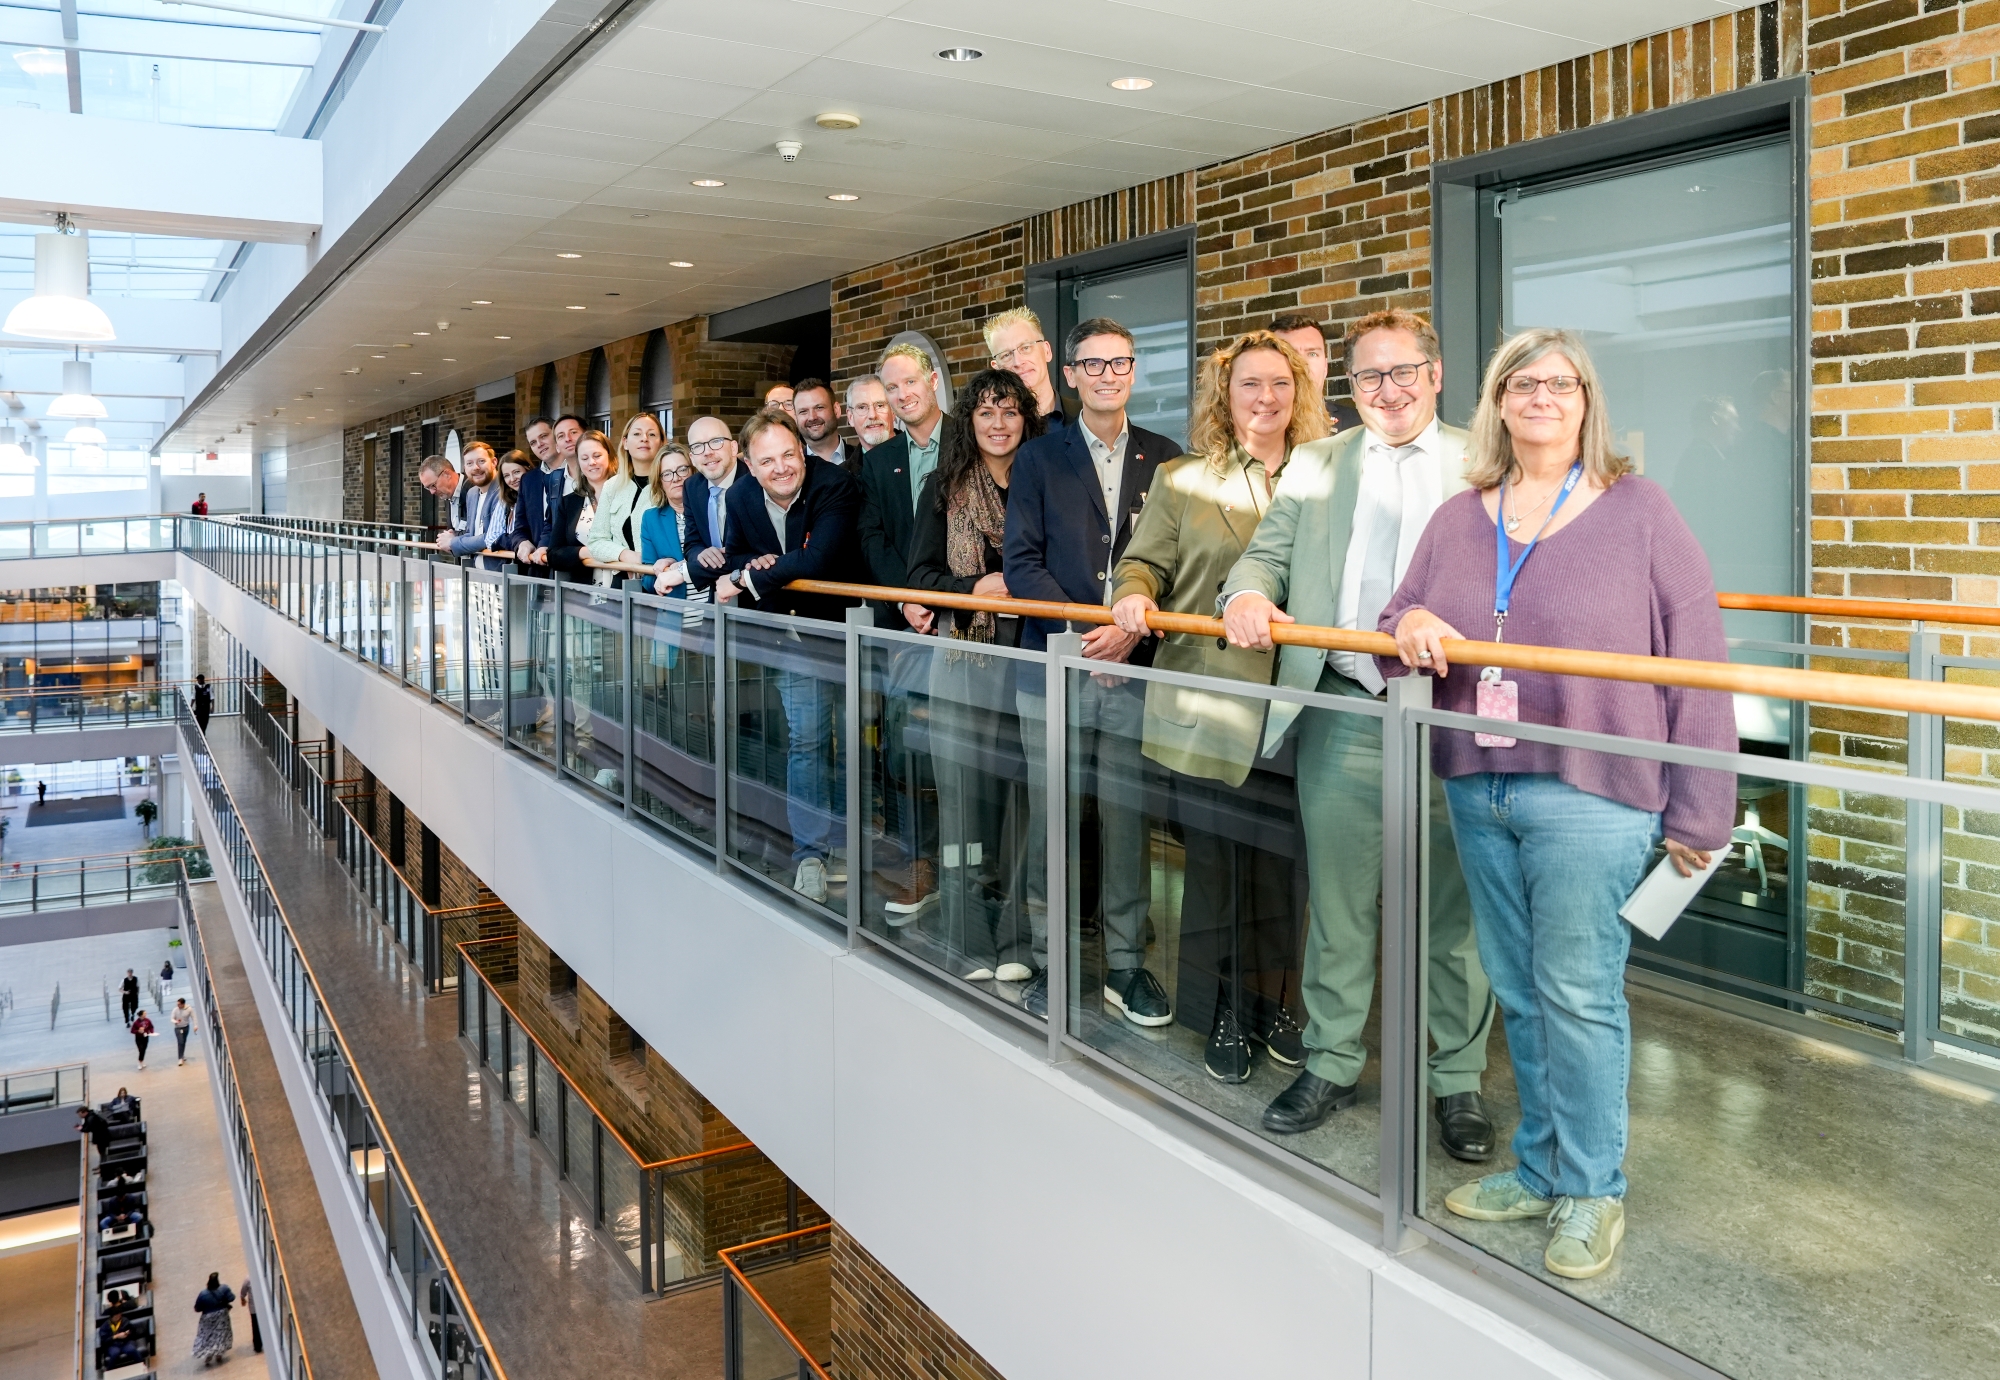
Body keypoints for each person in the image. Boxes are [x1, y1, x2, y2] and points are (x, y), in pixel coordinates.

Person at [1383, 326, 1735, 1280]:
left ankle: (1592, 1189)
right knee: (1518, 989)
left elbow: (1698, 665)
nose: (1542, 396)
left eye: (1562, 383)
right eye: (1523, 383)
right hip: (1477, 778)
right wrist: (1410, 619)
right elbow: (1395, 617)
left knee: (1578, 993)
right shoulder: (1463, 515)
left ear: (1587, 402)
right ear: (1498, 402)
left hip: (1593, 789)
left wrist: (1704, 809)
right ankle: (1541, 1168)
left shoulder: (1641, 511)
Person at [1220, 308, 1497, 1155]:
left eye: (1403, 371)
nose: (1389, 390)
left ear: (1437, 374)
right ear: (1350, 387)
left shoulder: (1483, 463)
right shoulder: (1317, 462)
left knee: (1455, 912)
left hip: (1452, 713)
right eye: (1370, 376)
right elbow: (1266, 555)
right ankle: (1333, 1060)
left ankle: (1457, 1080)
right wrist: (1246, 594)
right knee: (1339, 905)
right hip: (1344, 710)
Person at [1110, 330, 1328, 1080]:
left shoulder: (1326, 476)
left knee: (1288, 872)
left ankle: (1283, 1006)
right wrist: (1134, 599)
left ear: (1298, 393)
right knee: (1215, 868)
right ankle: (1224, 1011)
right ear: (1223, 396)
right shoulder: (1183, 479)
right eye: (1248, 386)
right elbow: (1140, 565)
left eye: (1278, 385)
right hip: (1209, 698)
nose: (1265, 399)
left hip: (1301, 705)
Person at [1003, 316, 1179, 1024]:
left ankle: (1128, 966)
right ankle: (1053, 963)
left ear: (1134, 372)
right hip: (1054, 668)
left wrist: (1127, 641)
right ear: (1069, 374)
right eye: (1093, 364)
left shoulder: (1168, 459)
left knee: (1129, 822)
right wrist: (1091, 634)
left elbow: (1177, 565)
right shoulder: (1040, 460)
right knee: (1054, 821)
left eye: (1120, 363)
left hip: (1135, 671)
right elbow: (1022, 564)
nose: (1108, 375)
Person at [904, 368, 1045, 980]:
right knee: (963, 800)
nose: (998, 423)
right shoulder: (946, 485)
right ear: (970, 420)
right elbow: (919, 576)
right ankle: (966, 938)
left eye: (1010, 412)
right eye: (986, 412)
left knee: (1023, 805)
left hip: (1034, 662)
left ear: (1027, 420)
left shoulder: (1046, 482)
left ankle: (1016, 940)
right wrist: (974, 590)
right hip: (963, 661)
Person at [701, 408, 864, 902]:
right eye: (767, 460)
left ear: (803, 453)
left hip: (849, 633)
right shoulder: (742, 494)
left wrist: (752, 577)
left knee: (861, 743)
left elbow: (820, 560)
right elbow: (731, 555)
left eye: (789, 456)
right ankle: (811, 853)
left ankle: (857, 844)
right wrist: (752, 565)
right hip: (789, 638)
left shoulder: (835, 484)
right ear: (748, 464)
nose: (781, 468)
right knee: (809, 740)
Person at [859, 343, 956, 916]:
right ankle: (923, 861)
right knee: (907, 745)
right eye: (891, 389)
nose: (902, 396)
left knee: (970, 744)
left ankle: (975, 863)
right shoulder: (879, 459)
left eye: (909, 384)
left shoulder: (970, 440)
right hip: (911, 624)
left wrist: (946, 601)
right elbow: (873, 539)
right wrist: (911, 603)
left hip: (969, 618)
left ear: (933, 382)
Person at [585, 412, 667, 585]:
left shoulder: (671, 483)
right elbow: (596, 541)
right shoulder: (612, 486)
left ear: (661, 443)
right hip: (621, 582)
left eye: (652, 434)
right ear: (625, 442)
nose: (644, 438)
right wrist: (628, 556)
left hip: (661, 580)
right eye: (637, 434)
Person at [1270, 314, 1363, 433]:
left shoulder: (1359, 426)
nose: (1302, 365)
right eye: (1288, 354)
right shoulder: (1255, 428)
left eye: (1312, 354)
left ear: (1325, 367)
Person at [984, 306, 1076, 424]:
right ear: (997, 368)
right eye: (1006, 355)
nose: (1018, 362)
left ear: (1046, 351)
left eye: (1026, 348)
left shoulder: (1085, 417)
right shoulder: (993, 432)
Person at [547, 430, 617, 580]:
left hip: (623, 589)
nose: (592, 462)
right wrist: (586, 552)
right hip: (581, 593)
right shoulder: (569, 502)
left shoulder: (627, 495)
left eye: (597, 456)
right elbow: (553, 554)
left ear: (610, 456)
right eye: (584, 458)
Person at [680, 415, 744, 577]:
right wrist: (701, 554)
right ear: (692, 458)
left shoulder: (755, 481)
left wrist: (683, 573)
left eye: (716, 441)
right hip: (715, 593)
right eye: (698, 446)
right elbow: (692, 544)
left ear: (734, 448)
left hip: (757, 591)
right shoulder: (691, 487)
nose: (707, 452)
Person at [511, 416, 568, 574]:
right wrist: (522, 542)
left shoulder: (579, 472)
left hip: (571, 568)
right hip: (539, 569)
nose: (539, 444)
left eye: (543, 436)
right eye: (533, 442)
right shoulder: (529, 480)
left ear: (556, 435)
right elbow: (519, 527)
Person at [639, 441, 697, 599]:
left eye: (682, 470)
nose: (676, 478)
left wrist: (679, 567)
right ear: (660, 482)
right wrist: (661, 571)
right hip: (674, 618)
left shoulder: (710, 511)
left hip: (717, 614)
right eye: (667, 473)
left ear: (694, 472)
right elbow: (647, 581)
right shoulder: (651, 520)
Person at [793, 378, 851, 466]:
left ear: (836, 410)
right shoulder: (793, 469)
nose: (812, 417)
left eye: (819, 407)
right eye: (803, 411)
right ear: (796, 417)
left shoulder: (864, 460)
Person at [193, 1272, 235, 1366]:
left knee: (207, 1336)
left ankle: (208, 1355)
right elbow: (232, 1298)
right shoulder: (224, 1288)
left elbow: (197, 1308)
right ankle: (219, 1354)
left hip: (207, 1317)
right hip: (222, 1316)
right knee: (221, 1334)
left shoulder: (203, 1294)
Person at [845, 375, 896, 451]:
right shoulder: (847, 463)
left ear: (893, 411)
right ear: (850, 417)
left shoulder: (917, 456)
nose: (872, 415)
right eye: (862, 407)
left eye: (880, 405)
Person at [172, 996, 194, 1065]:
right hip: (178, 1028)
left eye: (179, 1004)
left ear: (183, 1004)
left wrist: (195, 1025)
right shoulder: (175, 1010)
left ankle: (182, 1055)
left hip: (186, 1027)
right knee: (180, 1042)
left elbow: (194, 1017)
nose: (177, 1005)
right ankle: (180, 1058)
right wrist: (175, 1021)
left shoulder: (189, 1009)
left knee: (184, 1041)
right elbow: (172, 1019)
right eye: (177, 1004)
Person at [242, 1276, 262, 1354]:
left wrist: (242, 1297)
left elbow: (243, 1291)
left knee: (255, 1326)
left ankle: (257, 1346)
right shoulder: (249, 1279)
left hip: (254, 1308)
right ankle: (259, 1344)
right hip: (257, 1308)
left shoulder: (248, 1279)